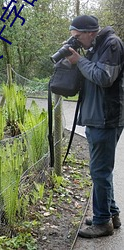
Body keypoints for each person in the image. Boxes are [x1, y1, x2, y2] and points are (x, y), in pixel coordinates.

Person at [66, 15, 124, 238]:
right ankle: (111, 214)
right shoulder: (95, 46)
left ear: (90, 32)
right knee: (101, 171)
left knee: (99, 171)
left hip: (106, 118)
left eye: (78, 37)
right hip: (96, 117)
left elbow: (103, 77)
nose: (77, 41)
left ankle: (102, 223)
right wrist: (76, 60)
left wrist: (79, 61)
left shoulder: (112, 44)